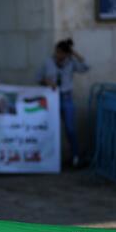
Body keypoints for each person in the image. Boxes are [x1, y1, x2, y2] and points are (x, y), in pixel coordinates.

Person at [36, 38, 90, 168]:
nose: (58, 55)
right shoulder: (48, 62)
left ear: (66, 54)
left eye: (62, 53)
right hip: (51, 98)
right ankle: (48, 157)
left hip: (66, 98)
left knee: (70, 128)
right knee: (50, 127)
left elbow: (86, 67)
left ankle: (75, 156)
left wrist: (75, 54)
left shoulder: (71, 62)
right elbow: (38, 78)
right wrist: (47, 82)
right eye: (57, 52)